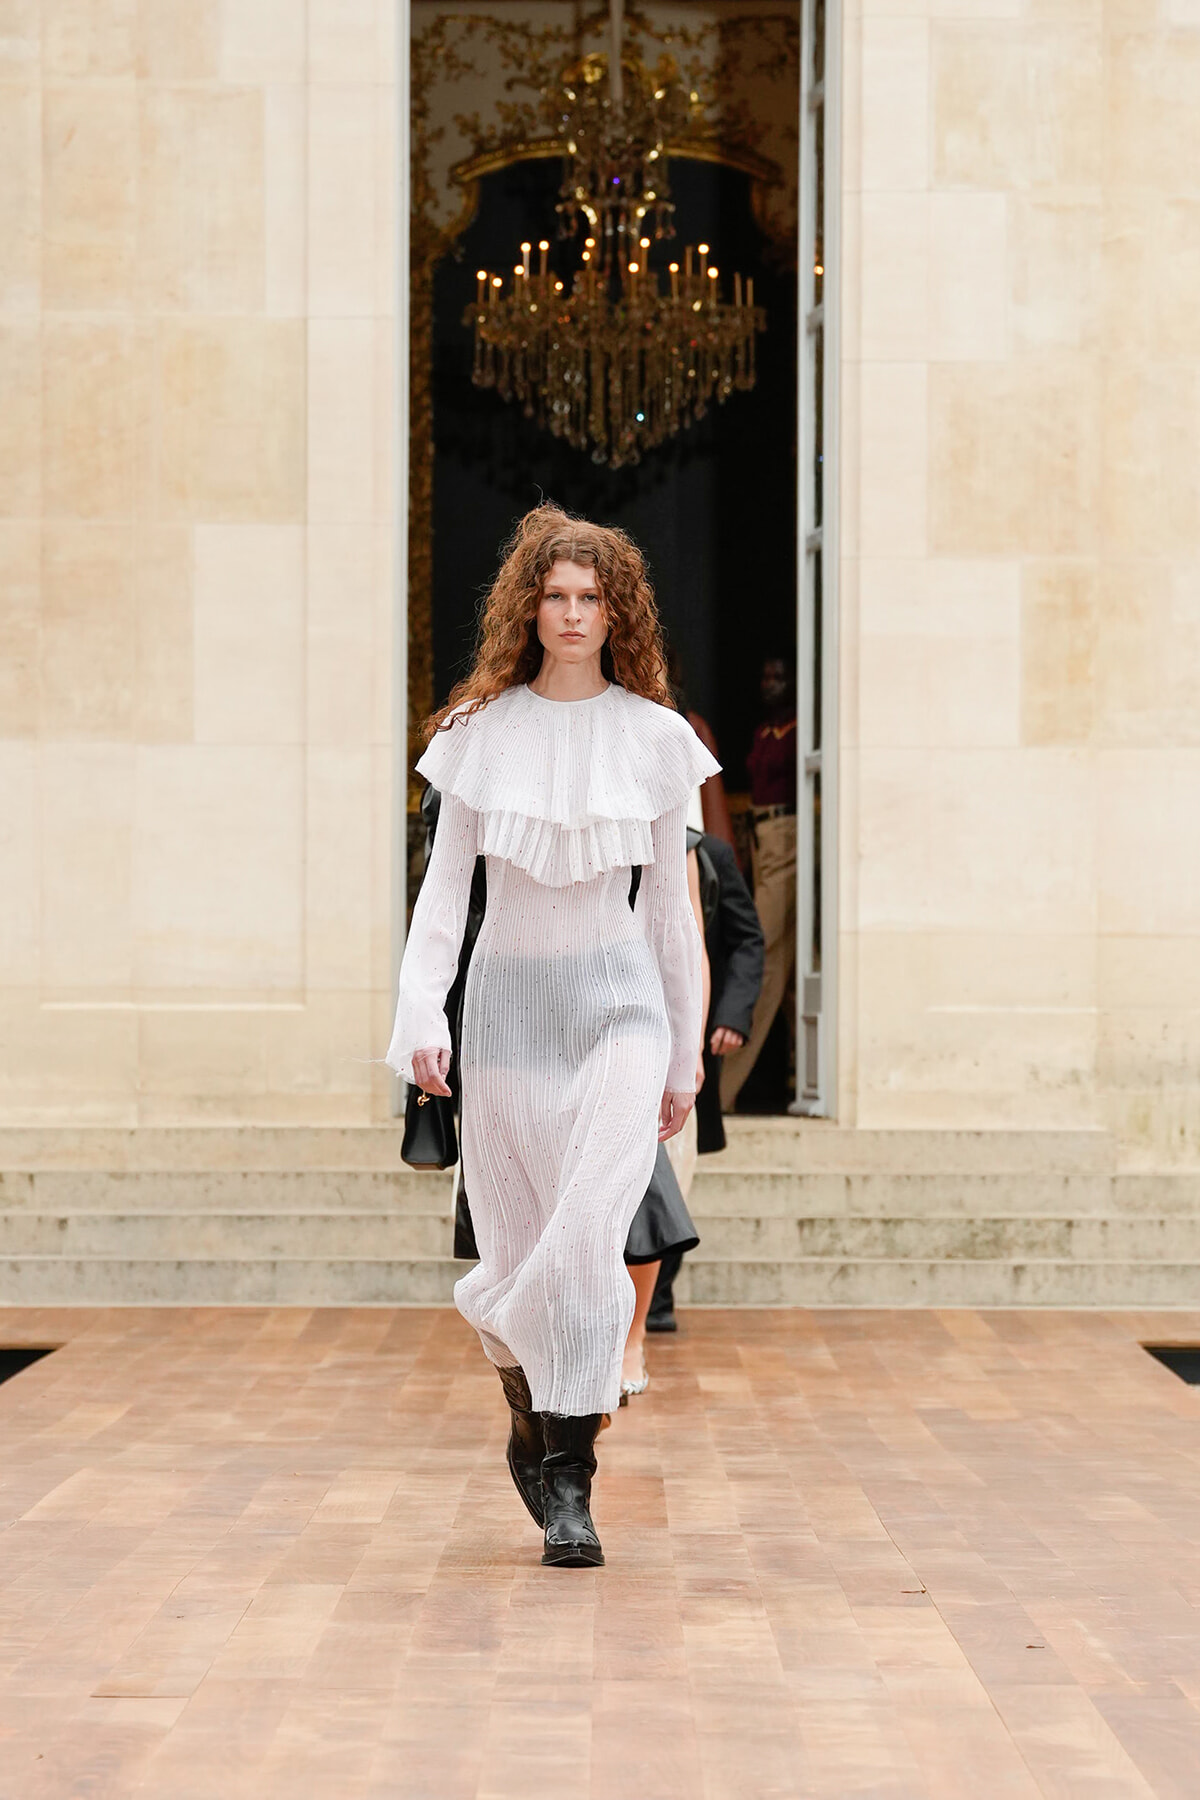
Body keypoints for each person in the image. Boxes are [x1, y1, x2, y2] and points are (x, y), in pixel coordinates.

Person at [387, 504, 717, 1569]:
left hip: (620, 1003)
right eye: (557, 596)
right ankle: (530, 1406)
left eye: (592, 598)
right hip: (511, 1009)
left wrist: (681, 1060)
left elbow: (669, 912)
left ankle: (570, 1479)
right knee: (527, 1245)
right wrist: (419, 1014)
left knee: (589, 1242)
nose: (573, 615)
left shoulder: (658, 741)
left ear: (619, 613)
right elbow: (443, 898)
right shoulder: (478, 736)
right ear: (528, 609)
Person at [647, 822, 765, 1332]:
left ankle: (657, 1298)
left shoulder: (708, 853)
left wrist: (730, 1016)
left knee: (675, 1171)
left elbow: (746, 940)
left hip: (686, 1041)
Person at [719, 655, 797, 1111]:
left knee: (763, 952)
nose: (769, 684)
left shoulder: (801, 730)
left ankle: (725, 1090)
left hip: (790, 836)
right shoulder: (764, 731)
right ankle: (800, 1075)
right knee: (789, 968)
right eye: (765, 676)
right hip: (762, 835)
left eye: (778, 677)